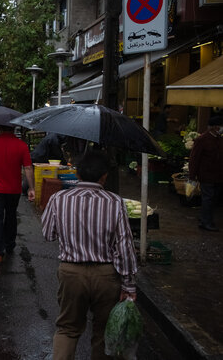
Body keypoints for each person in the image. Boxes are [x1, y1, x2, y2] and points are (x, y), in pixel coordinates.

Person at [41, 151, 138, 360]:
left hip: (71, 273)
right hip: (106, 276)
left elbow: (48, 234)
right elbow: (125, 245)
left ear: (77, 173)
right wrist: (129, 284)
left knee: (67, 329)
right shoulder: (116, 202)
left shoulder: (58, 199)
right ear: (104, 176)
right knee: (102, 331)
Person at [0, 124, 35, 265]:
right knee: (11, 216)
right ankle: (10, 245)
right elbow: (28, 168)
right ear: (14, 128)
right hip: (13, 189)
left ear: (0, 129)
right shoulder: (22, 145)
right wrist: (31, 188)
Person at [189, 116, 223, 232]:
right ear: (214, 127)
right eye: (220, 126)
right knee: (208, 199)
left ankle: (205, 219)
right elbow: (194, 158)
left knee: (213, 200)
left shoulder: (219, 139)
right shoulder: (202, 140)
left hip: (218, 176)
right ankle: (206, 222)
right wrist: (192, 176)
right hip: (206, 176)